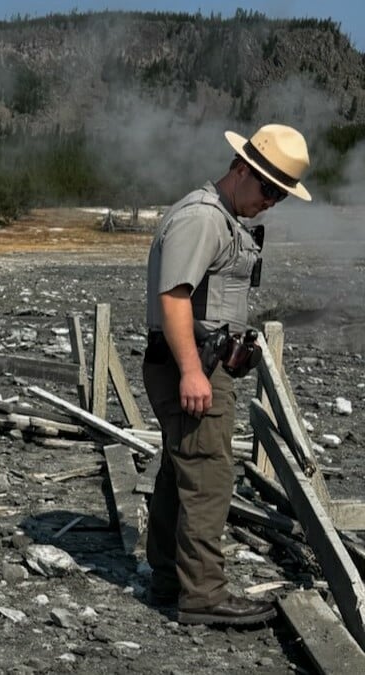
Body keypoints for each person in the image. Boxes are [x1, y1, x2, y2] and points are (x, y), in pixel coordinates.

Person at [142, 124, 311, 626]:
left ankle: (171, 579)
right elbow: (173, 297)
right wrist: (193, 371)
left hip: (197, 360)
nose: (272, 201)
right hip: (189, 364)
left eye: (281, 194)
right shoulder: (203, 218)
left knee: (183, 469)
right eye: (268, 189)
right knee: (209, 474)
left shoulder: (222, 217)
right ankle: (204, 596)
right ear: (241, 169)